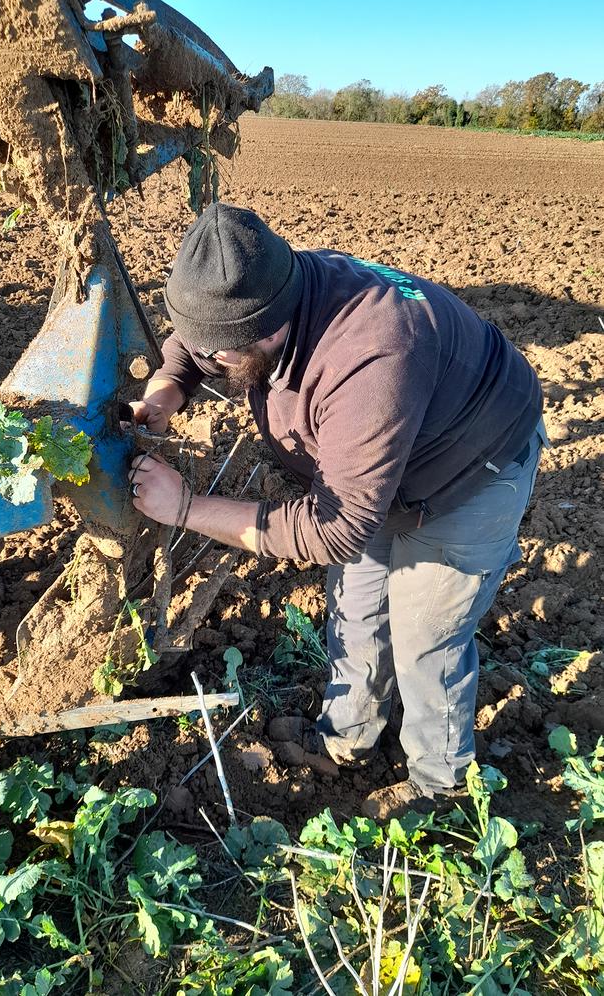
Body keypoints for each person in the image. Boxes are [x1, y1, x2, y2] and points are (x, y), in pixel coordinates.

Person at [128, 203, 545, 820]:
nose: (206, 360)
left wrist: (185, 505)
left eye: (220, 354)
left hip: (474, 465)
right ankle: (347, 740)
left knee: (425, 637)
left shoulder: (373, 356)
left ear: (268, 327)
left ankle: (443, 788)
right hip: (378, 463)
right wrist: (167, 389)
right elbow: (197, 340)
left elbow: (337, 526)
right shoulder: (269, 286)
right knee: (357, 603)